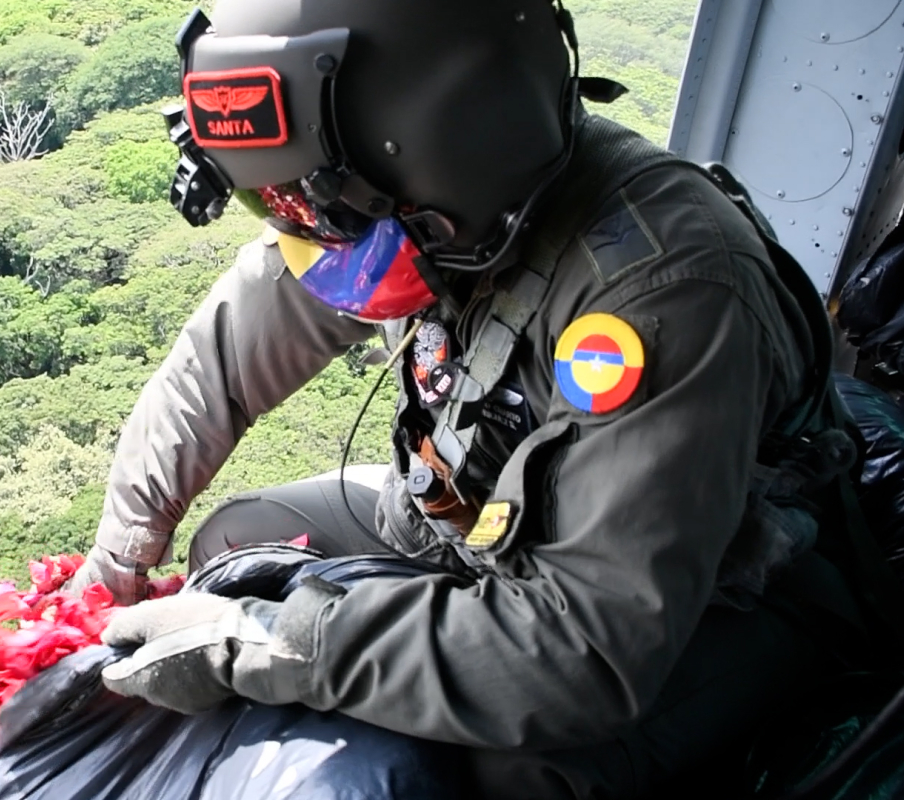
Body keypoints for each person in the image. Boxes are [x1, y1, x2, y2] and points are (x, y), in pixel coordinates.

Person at [65, 0, 876, 796]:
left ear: (443, 150)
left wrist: (270, 644)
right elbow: (230, 353)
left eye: (322, 208)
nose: (314, 232)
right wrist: (124, 548)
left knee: (499, 768)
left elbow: (584, 657)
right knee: (237, 544)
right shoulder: (421, 208)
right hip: (469, 525)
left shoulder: (659, 293)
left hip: (706, 603)